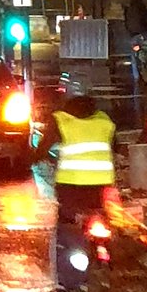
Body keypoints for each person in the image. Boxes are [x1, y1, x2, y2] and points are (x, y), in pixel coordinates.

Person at [33, 74, 116, 275]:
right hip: (101, 185)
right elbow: (116, 146)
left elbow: (42, 149)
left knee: (65, 228)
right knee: (101, 216)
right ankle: (105, 252)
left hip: (70, 185)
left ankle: (62, 278)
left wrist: (31, 159)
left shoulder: (60, 120)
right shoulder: (105, 120)